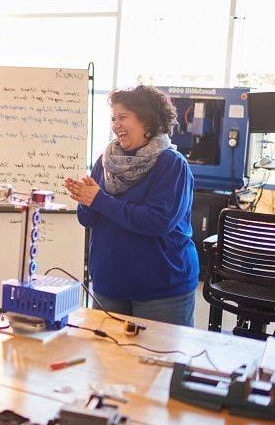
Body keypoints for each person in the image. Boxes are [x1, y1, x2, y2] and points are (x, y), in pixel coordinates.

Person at [64, 85, 199, 327]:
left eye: (123, 117)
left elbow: (157, 221)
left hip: (161, 291)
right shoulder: (105, 161)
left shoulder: (171, 164)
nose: (116, 124)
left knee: (163, 363)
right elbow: (89, 220)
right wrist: (85, 199)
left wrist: (99, 199)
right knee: (109, 364)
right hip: (110, 286)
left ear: (147, 120)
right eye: (113, 118)